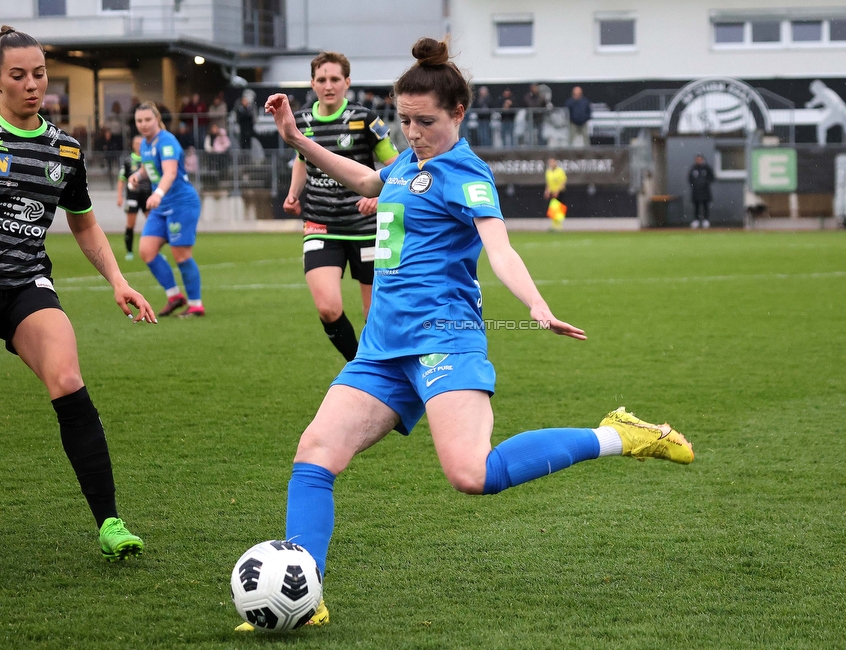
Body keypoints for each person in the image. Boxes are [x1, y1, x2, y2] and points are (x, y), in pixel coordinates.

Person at [255, 36, 694, 631]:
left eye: (425, 122)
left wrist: (537, 305)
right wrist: (297, 140)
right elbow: (369, 182)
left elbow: (501, 249)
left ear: (458, 113)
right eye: (404, 120)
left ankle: (616, 435)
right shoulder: (409, 163)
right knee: (315, 454)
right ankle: (304, 598)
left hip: (444, 341)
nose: (411, 132)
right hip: (385, 348)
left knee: (473, 474)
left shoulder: (467, 172)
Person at [0, 26, 156, 561]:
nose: (31, 84)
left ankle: (110, 521)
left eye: (38, 74)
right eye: (17, 75)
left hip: (23, 283)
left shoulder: (64, 149)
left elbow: (85, 225)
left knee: (67, 378)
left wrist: (118, 280)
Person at [282, 51, 398, 362]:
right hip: (321, 224)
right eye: (321, 79)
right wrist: (294, 193)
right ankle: (359, 367)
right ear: (312, 83)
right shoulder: (302, 121)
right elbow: (301, 162)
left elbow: (397, 168)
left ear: (347, 82)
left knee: (375, 316)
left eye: (335, 79)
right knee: (327, 307)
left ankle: (380, 371)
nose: (328, 85)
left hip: (366, 229)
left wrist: (378, 196)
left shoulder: (365, 119)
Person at [129, 102, 205, 316]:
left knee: (181, 255)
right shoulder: (145, 143)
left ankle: (196, 304)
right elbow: (148, 166)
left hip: (181, 203)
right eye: (139, 120)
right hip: (162, 206)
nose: (143, 124)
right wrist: (138, 175)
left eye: (147, 120)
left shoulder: (167, 141)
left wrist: (158, 194)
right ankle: (175, 296)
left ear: (157, 119)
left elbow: (170, 172)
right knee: (147, 251)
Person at [117, 134, 152, 261]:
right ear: (133, 145)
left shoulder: (148, 159)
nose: (138, 145)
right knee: (131, 223)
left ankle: (153, 250)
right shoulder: (127, 161)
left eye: (141, 143)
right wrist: (119, 196)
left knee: (152, 222)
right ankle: (130, 251)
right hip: (132, 195)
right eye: (136, 143)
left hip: (148, 195)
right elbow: (121, 180)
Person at [688, 153, 715, 229]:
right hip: (696, 191)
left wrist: (705, 183)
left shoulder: (707, 168)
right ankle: (696, 220)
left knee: (705, 205)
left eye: (700, 159)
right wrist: (695, 185)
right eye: (697, 159)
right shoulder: (693, 168)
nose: (698, 160)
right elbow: (690, 179)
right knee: (696, 206)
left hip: (705, 191)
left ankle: (706, 220)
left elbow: (711, 177)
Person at [544, 157, 567, 230]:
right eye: (550, 162)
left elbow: (563, 182)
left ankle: (559, 226)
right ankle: (554, 225)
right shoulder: (548, 171)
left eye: (552, 162)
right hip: (552, 193)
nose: (551, 164)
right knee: (553, 209)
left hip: (559, 193)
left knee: (558, 209)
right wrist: (547, 191)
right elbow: (548, 183)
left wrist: (557, 191)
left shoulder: (560, 171)